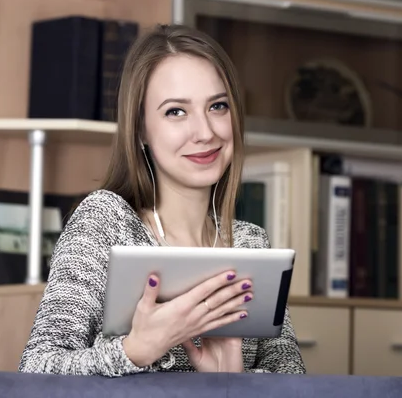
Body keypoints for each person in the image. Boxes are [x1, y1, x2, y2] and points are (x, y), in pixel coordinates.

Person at [18, 23, 306, 377]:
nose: (205, 132)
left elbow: (290, 378)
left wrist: (232, 383)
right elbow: (36, 369)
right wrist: (135, 350)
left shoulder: (251, 244)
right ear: (140, 129)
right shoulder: (106, 221)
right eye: (176, 111)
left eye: (218, 106)